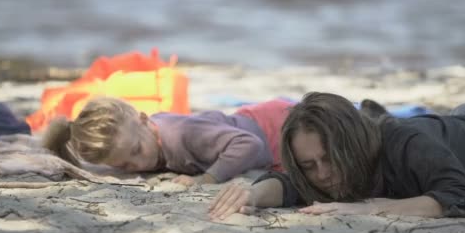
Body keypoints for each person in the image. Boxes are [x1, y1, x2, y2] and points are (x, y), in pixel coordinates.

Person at [208, 93, 465, 219]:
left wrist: (372, 209)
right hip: (457, 125)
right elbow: (289, 184)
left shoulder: (404, 144)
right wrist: (252, 194)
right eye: (309, 165)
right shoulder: (328, 170)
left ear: (350, 143)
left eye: (328, 159)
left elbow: (463, 197)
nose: (323, 174)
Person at [42, 96, 293, 186]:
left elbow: (249, 144)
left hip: (277, 126)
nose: (139, 164)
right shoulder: (143, 135)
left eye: (137, 150)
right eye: (125, 166)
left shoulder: (183, 134)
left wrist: (207, 179)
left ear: (142, 119)